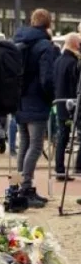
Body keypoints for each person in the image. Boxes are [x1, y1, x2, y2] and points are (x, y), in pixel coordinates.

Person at [13, 8, 58, 207]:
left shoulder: (20, 42)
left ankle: (17, 186)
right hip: (37, 100)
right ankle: (26, 187)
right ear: (48, 24)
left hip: (19, 99)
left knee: (24, 144)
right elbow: (46, 77)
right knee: (36, 146)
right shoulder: (44, 46)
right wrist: (51, 96)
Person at [54, 33, 81, 181]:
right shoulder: (73, 62)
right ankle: (74, 166)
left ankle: (60, 169)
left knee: (62, 137)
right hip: (71, 104)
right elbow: (75, 84)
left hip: (60, 102)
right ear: (76, 45)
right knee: (66, 135)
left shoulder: (59, 60)